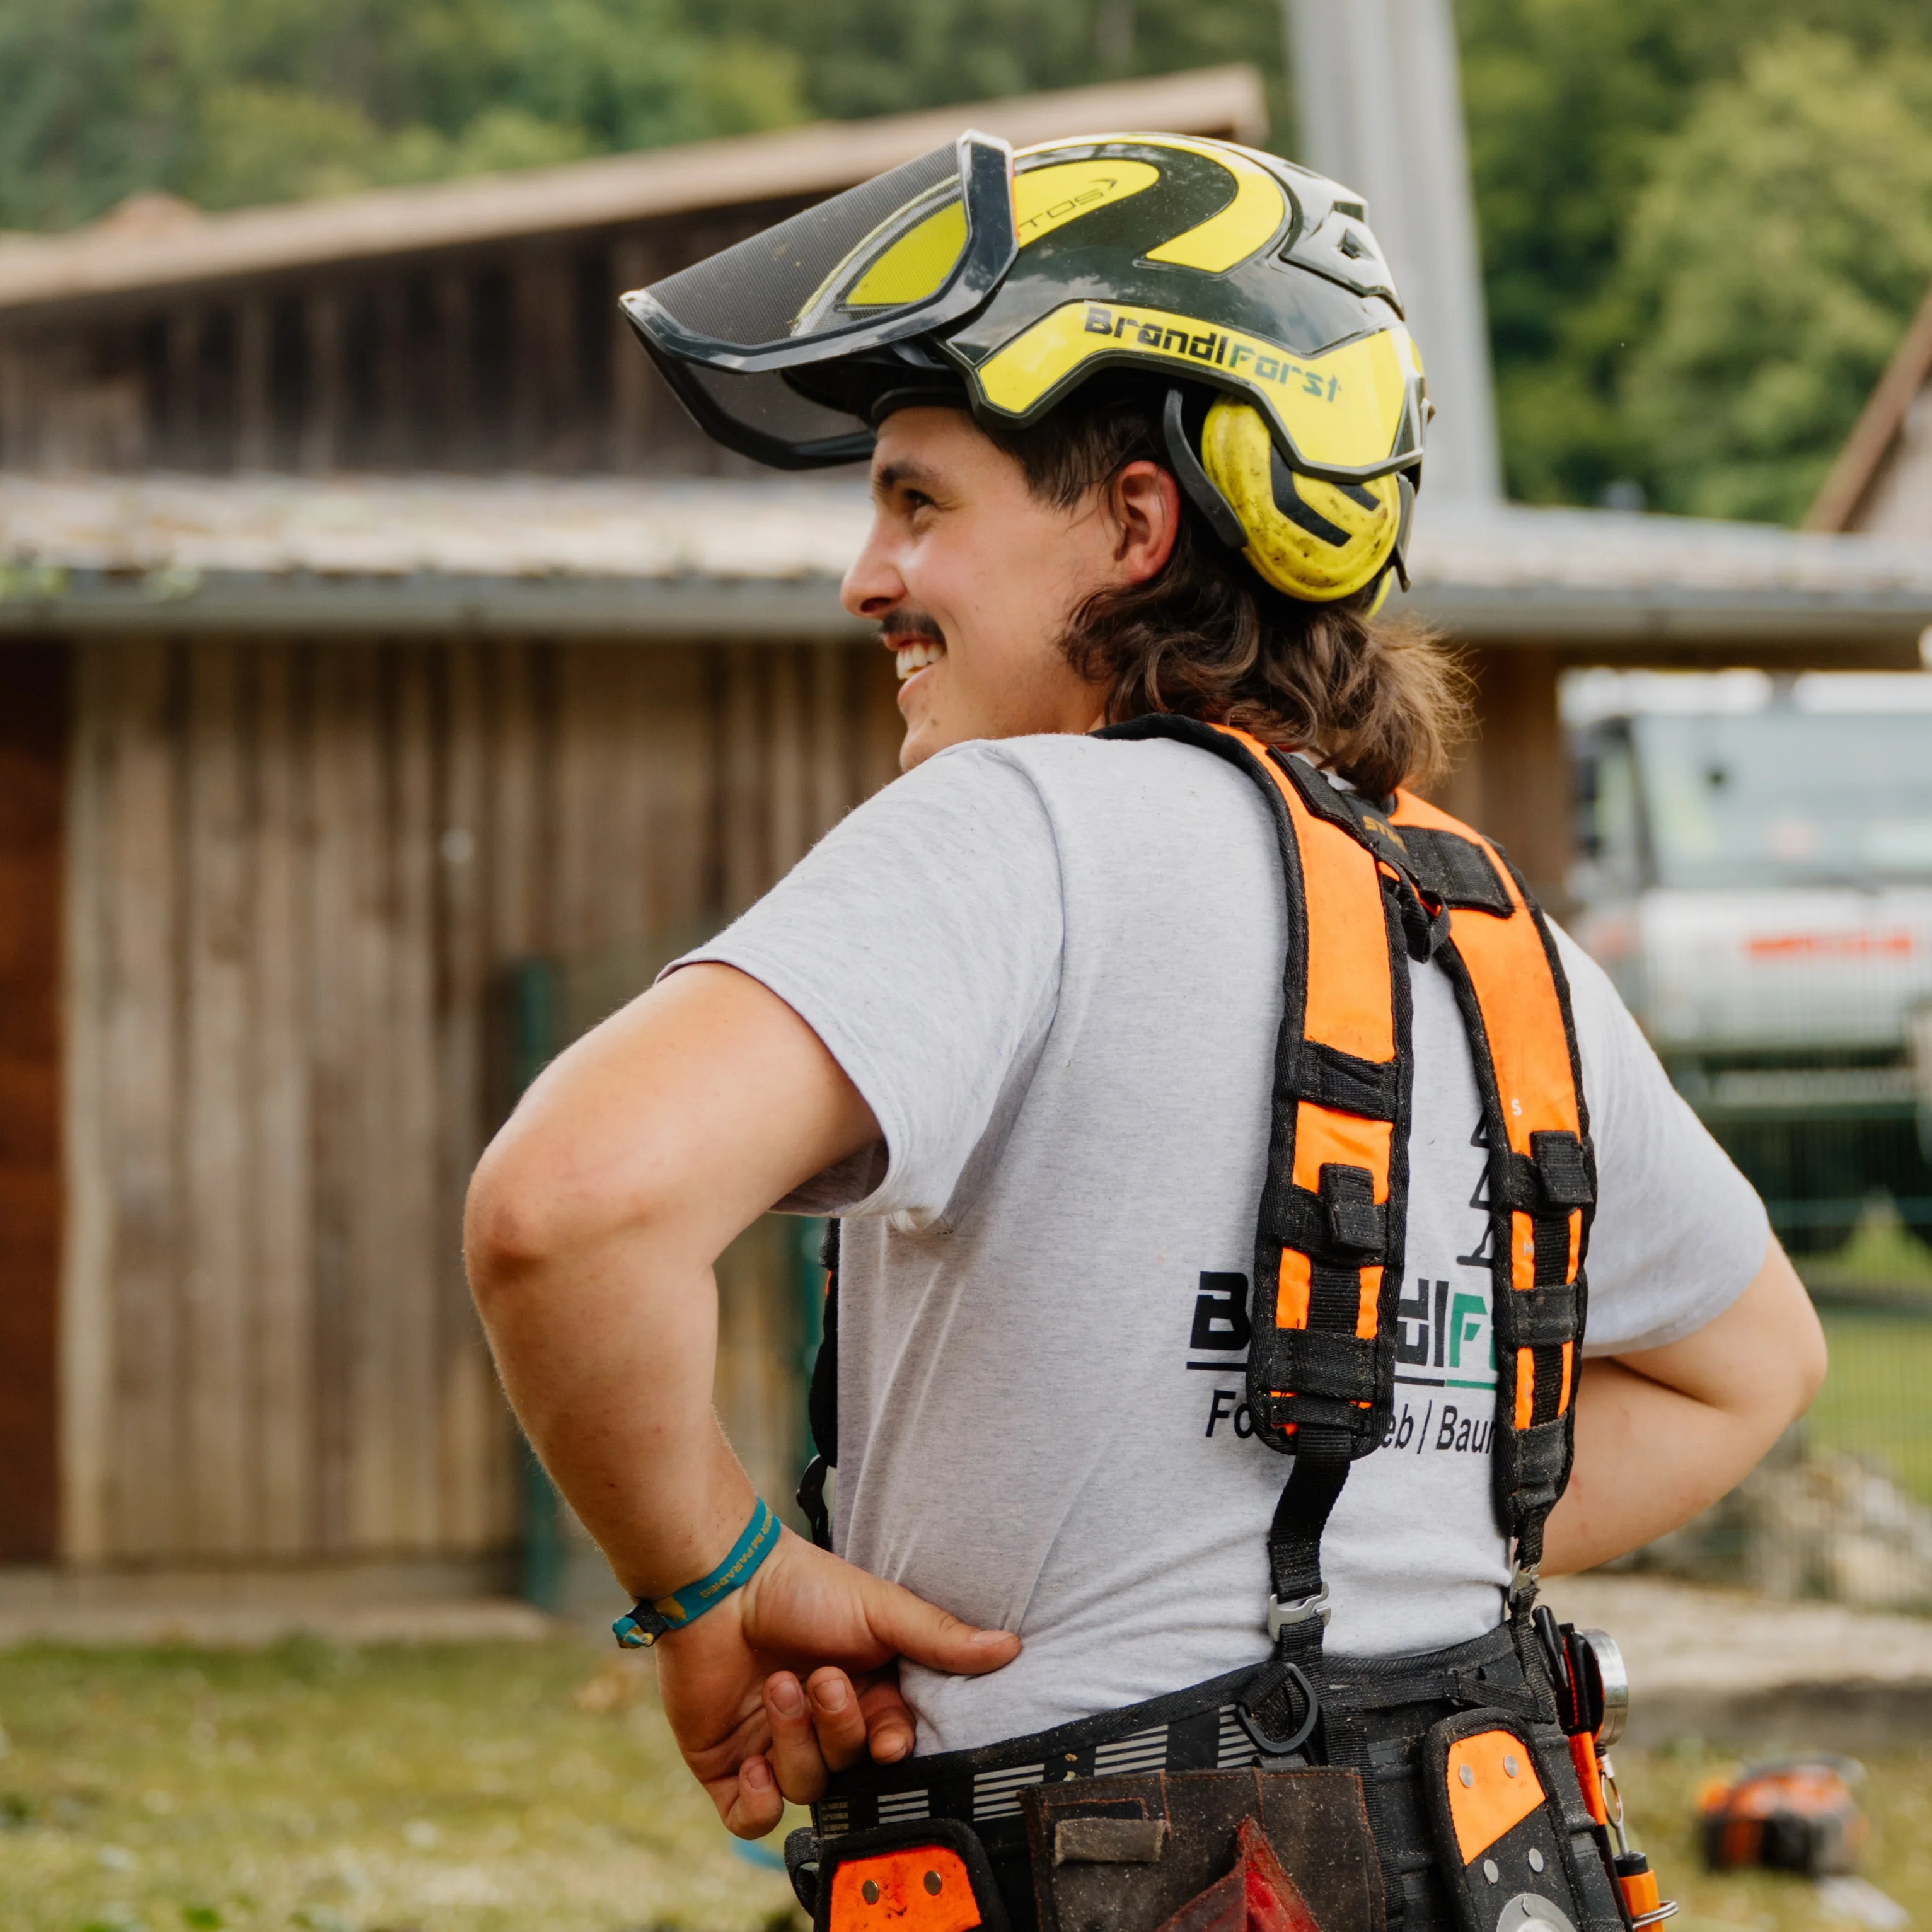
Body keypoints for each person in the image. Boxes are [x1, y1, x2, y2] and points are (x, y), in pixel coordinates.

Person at [466, 132, 1825, 1929]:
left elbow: (568, 1210)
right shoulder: (1489, 931)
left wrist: (712, 1580)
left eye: (919, 501)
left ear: (1132, 524)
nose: (865, 579)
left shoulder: (1014, 825)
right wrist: (1348, 1544)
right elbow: (1752, 1365)